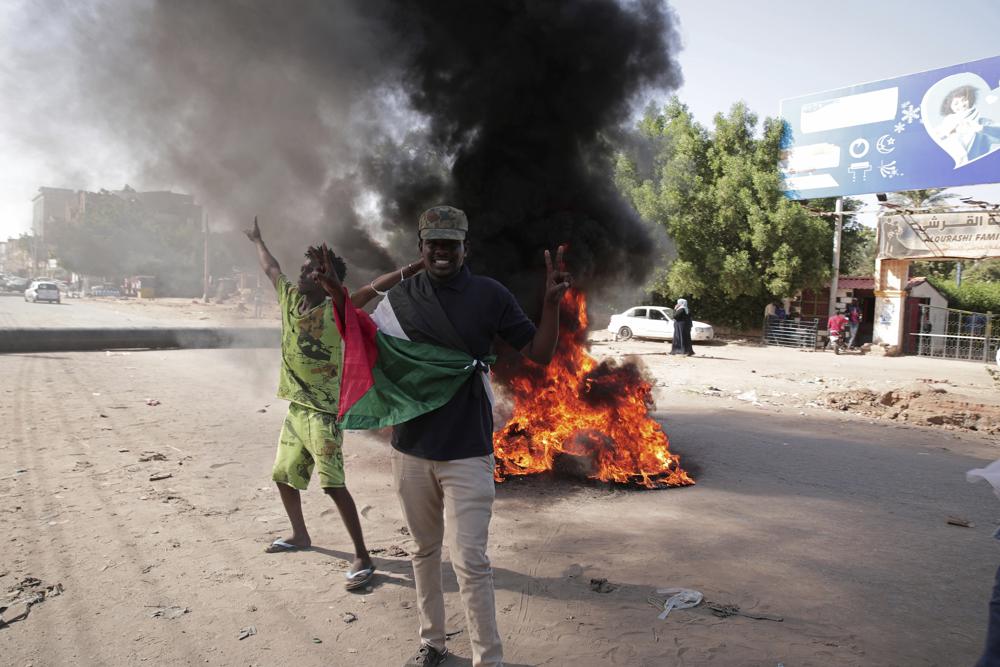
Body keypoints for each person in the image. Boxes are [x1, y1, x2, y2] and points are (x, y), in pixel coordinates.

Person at [372, 205, 570, 667]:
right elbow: (354, 328)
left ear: (466, 247)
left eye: (451, 243)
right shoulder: (398, 301)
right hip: (411, 449)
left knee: (471, 561)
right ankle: (433, 644)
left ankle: (488, 658)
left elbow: (539, 354)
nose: (442, 251)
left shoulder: (489, 294)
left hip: (468, 451)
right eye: (433, 243)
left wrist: (551, 305)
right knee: (423, 550)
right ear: (420, 248)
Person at [244, 216, 422, 591]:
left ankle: (362, 555)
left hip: (324, 415)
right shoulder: (290, 299)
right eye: (306, 267)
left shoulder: (336, 310)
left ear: (326, 281)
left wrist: (414, 267)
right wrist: (258, 239)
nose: (304, 272)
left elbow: (371, 289)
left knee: (332, 485)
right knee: (283, 476)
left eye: (314, 270)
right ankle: (300, 535)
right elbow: (271, 267)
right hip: (296, 408)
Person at [938, 85, 1000, 165]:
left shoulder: (982, 122)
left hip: (977, 167)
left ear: (969, 100)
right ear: (951, 108)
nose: (961, 104)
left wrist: (980, 128)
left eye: (964, 100)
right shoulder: (945, 126)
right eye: (956, 103)